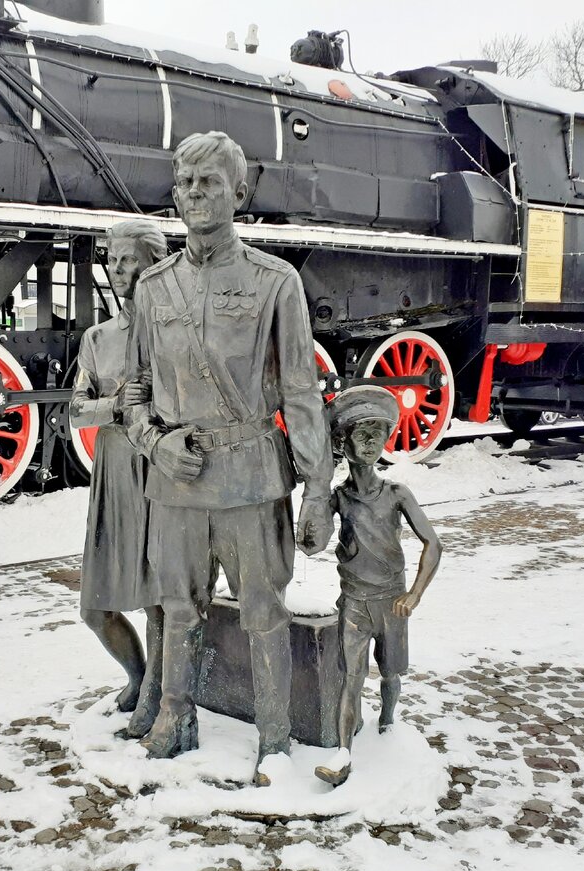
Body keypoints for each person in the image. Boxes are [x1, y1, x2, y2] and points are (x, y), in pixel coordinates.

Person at [127, 131, 335, 786]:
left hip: (250, 478)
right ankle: (174, 714)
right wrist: (155, 441)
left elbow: (301, 393)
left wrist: (319, 488)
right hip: (177, 483)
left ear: (238, 193)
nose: (194, 195)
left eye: (209, 182)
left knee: (263, 611)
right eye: (185, 183)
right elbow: (132, 393)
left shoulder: (277, 283)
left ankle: (274, 736)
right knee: (177, 608)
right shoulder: (154, 287)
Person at [314, 386, 442, 788]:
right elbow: (311, 538)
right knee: (352, 678)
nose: (370, 441)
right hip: (353, 602)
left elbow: (433, 543)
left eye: (377, 431)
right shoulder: (339, 498)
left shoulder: (397, 494)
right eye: (360, 432)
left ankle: (388, 727)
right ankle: (343, 753)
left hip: (391, 602)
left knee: (390, 674)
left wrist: (414, 595)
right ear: (343, 443)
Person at [72, 220, 168, 739]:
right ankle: (138, 674)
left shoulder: (174, 335)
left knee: (159, 598)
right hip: (113, 472)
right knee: (95, 607)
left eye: (128, 260)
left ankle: (158, 690)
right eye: (112, 259)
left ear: (153, 264)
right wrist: (114, 404)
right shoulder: (97, 338)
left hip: (158, 472)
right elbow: (74, 412)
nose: (117, 269)